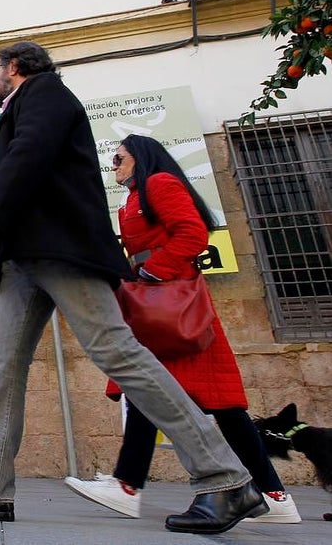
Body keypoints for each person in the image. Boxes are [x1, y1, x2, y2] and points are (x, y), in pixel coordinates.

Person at [0, 42, 267, 534]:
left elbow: (29, 153)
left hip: (62, 249)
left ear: (15, 67)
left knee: (117, 351)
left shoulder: (46, 92)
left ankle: (225, 478)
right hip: (26, 258)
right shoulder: (27, 103)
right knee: (1, 363)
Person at [64, 135, 300, 523]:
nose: (113, 165)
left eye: (119, 158)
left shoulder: (158, 184)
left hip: (174, 306)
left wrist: (152, 273)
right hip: (162, 305)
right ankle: (273, 496)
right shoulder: (134, 196)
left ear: (139, 157)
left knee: (200, 399)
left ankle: (130, 486)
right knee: (168, 394)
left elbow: (192, 233)